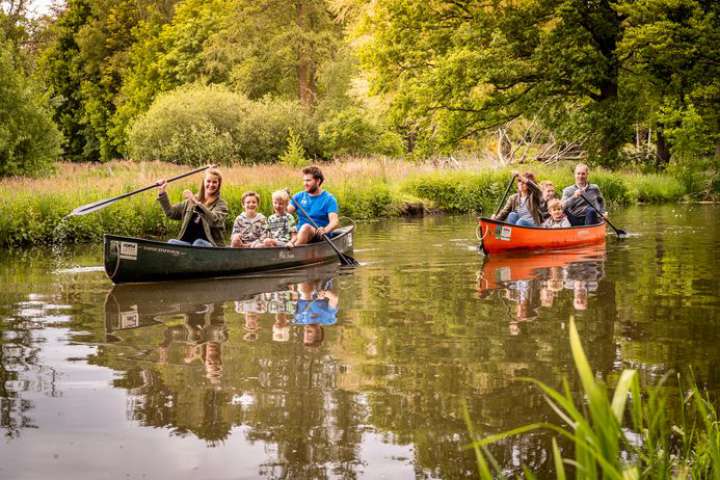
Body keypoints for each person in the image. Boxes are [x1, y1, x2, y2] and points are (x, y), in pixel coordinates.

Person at [157, 168, 228, 247]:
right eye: (208, 181)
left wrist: (196, 203)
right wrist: (162, 193)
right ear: (204, 182)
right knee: (171, 242)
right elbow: (170, 213)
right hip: (188, 245)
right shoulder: (190, 202)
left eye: (214, 182)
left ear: (219, 184)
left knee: (198, 243)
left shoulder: (221, 205)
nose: (211, 184)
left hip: (210, 246)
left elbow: (215, 221)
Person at [287, 166, 339, 246]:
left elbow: (334, 221)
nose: (305, 183)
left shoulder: (329, 199)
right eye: (304, 181)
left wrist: (325, 229)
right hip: (298, 233)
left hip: (319, 235)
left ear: (318, 181)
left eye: (308, 180)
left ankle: (293, 251)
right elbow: (287, 211)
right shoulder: (298, 196)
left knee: (306, 227)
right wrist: (283, 198)